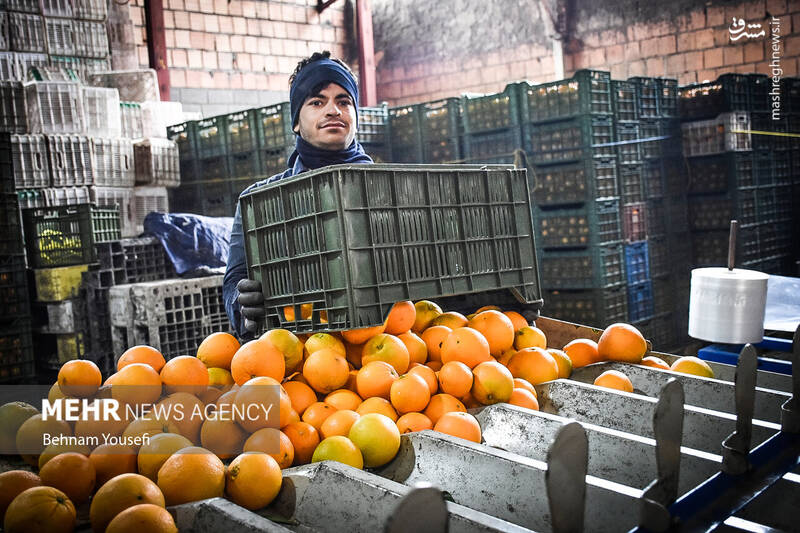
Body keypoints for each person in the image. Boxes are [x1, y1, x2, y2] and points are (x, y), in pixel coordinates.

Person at [223, 51, 374, 337]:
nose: (333, 110)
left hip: (384, 354)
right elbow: (234, 279)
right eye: (317, 101)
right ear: (296, 121)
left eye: (344, 101)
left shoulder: (391, 189)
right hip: (297, 351)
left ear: (356, 115)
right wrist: (242, 303)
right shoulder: (258, 202)